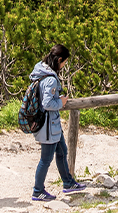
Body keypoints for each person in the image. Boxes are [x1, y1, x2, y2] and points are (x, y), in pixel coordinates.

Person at [28, 44, 85, 202]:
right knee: (46, 159)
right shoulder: (51, 79)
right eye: (64, 62)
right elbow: (47, 104)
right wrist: (62, 102)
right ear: (59, 60)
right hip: (48, 126)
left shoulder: (40, 71)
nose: (64, 65)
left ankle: (68, 182)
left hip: (52, 126)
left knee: (62, 151)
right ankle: (38, 191)